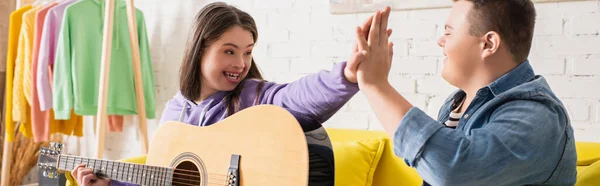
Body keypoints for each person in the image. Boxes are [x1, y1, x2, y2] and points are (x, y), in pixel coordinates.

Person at [69, 2, 390, 186]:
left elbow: (295, 96)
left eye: (247, 52)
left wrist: (347, 75)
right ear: (199, 51)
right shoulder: (174, 114)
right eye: (229, 51)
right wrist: (111, 182)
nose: (240, 64)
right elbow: (166, 179)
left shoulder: (253, 97)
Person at [354, 1, 577, 185]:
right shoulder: (456, 104)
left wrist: (376, 85)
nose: (440, 41)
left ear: (488, 44)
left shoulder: (538, 115)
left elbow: (453, 171)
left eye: (448, 32)